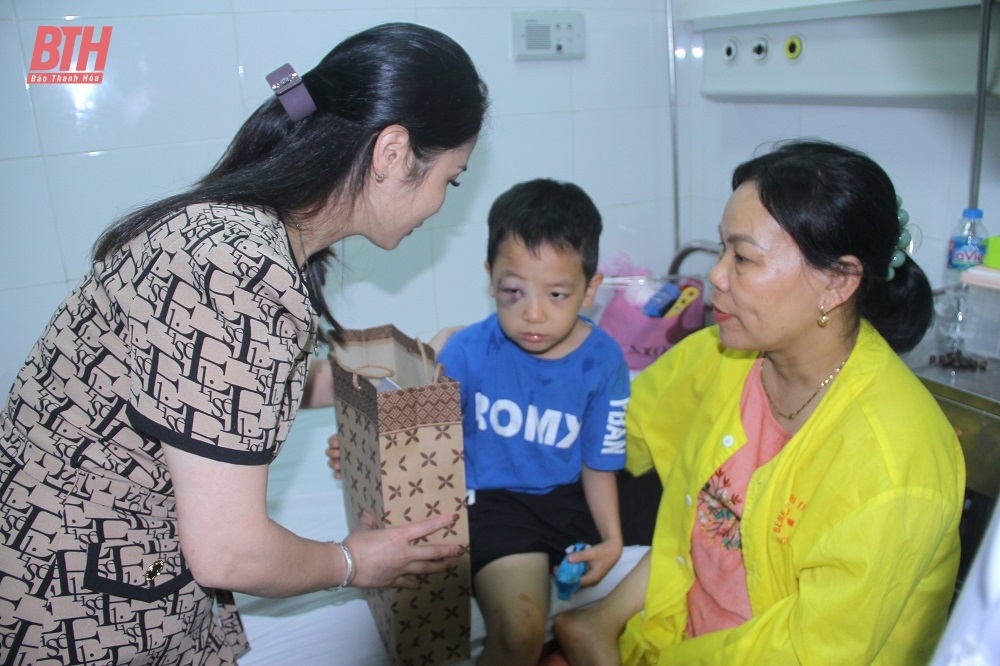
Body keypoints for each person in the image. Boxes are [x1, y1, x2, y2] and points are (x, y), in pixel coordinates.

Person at [0, 22, 488, 664]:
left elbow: (219, 390)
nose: (439, 206)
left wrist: (400, 363)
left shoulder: (230, 234)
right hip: (78, 616)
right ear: (394, 153)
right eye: (450, 179)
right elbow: (230, 549)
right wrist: (350, 561)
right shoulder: (243, 273)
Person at [550, 140, 966, 665]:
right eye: (723, 250)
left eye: (743, 257)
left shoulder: (890, 462)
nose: (716, 276)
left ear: (835, 282)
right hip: (662, 638)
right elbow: (609, 436)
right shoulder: (722, 359)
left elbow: (806, 653)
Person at [327, 178, 660, 665]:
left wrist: (610, 540)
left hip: (573, 497)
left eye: (557, 295)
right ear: (490, 278)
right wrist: (364, 449)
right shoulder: (467, 352)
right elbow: (419, 430)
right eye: (513, 291)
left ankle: (592, 626)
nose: (533, 313)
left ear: (590, 290)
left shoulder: (604, 360)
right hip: (497, 507)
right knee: (520, 632)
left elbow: (597, 463)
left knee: (699, 516)